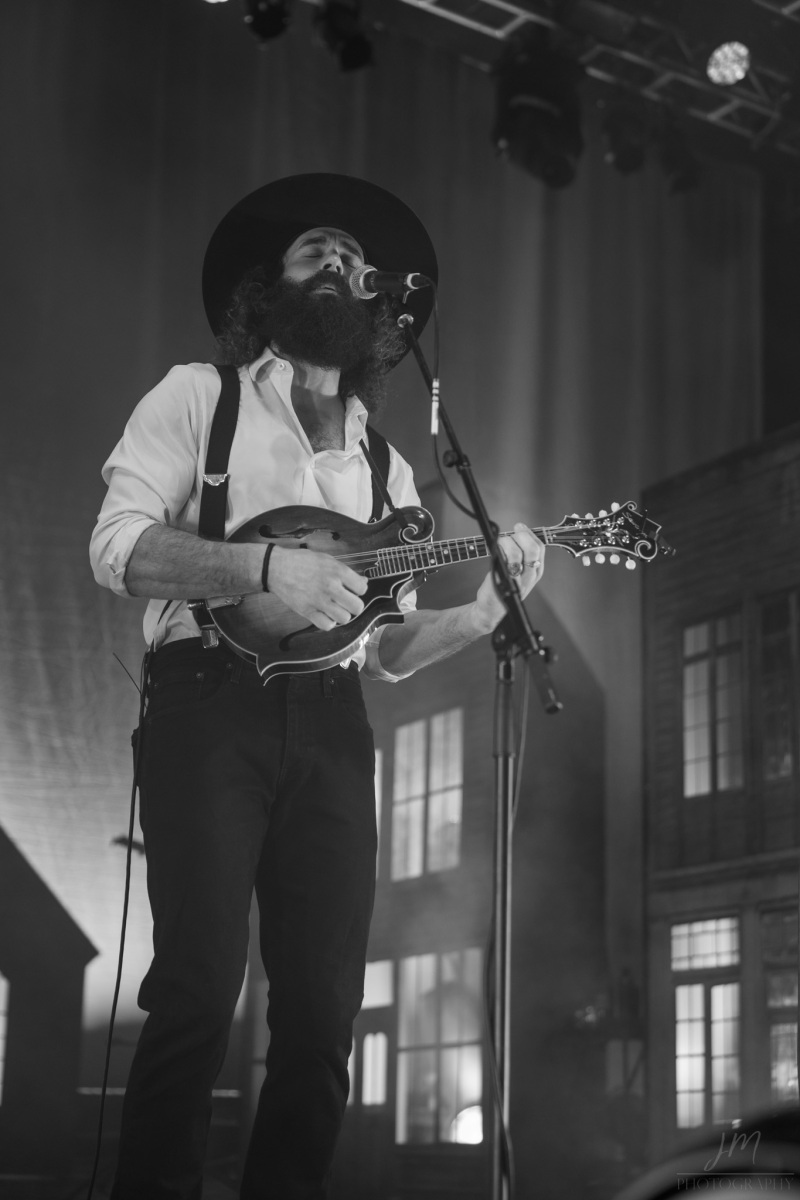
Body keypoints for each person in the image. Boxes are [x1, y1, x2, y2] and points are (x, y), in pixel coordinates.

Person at [90, 173, 544, 1200]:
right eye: (314, 251)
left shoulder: (388, 470)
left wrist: (482, 613)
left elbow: (383, 649)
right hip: (207, 704)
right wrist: (263, 569)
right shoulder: (196, 398)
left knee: (324, 1010)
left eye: (353, 257)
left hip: (334, 724)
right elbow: (117, 548)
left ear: (381, 306)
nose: (337, 262)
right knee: (200, 988)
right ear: (271, 285)